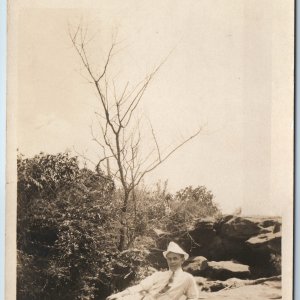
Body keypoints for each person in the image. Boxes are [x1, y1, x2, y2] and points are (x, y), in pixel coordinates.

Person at [106, 241, 199, 300]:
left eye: (175, 258)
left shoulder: (187, 278)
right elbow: (140, 286)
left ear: (182, 260)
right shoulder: (159, 275)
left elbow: (193, 297)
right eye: (169, 259)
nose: (172, 261)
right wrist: (120, 294)